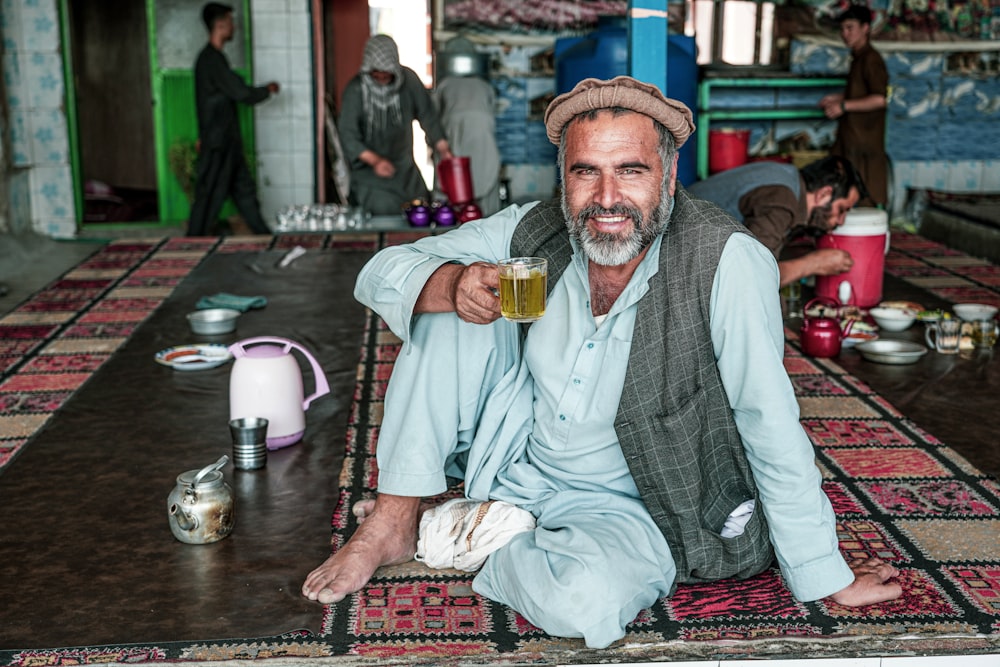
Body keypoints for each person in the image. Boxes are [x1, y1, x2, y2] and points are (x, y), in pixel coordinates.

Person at [302, 76, 902, 649]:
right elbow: (380, 271)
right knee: (439, 300)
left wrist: (823, 572)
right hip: (516, 462)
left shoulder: (726, 261)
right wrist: (454, 283)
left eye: (630, 171)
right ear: (563, 179)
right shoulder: (534, 233)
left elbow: (768, 420)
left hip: (639, 503)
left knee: (582, 602)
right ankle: (394, 520)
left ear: (668, 179)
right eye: (586, 171)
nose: (607, 198)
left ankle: (479, 533)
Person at [686, 156, 867, 287]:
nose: (841, 221)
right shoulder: (782, 201)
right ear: (824, 194)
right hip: (679, 263)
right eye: (841, 210)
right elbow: (755, 277)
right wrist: (814, 263)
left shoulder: (788, 178)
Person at [187, 3, 278, 237]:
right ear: (220, 25)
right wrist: (266, 91)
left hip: (227, 141)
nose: (234, 27)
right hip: (218, 144)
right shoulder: (211, 60)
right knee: (209, 196)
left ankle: (264, 236)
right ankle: (193, 242)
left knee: (243, 191)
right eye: (230, 22)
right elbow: (240, 93)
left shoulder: (214, 59)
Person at [339, 35, 453, 216]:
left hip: (405, 170)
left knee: (421, 211)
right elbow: (348, 135)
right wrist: (375, 161)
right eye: (377, 72)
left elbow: (428, 116)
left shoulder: (409, 81)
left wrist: (444, 149)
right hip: (370, 175)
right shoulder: (356, 90)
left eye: (387, 72)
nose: (382, 76)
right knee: (385, 212)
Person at [819, 4, 888, 209]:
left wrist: (844, 105)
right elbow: (862, 93)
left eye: (850, 28)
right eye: (842, 29)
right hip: (853, 139)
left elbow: (880, 99)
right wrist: (838, 98)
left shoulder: (871, 59)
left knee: (864, 193)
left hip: (865, 141)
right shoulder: (858, 57)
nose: (845, 34)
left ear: (865, 28)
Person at [434, 37, 502, 216]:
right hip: (485, 146)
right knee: (485, 200)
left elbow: (433, 120)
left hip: (453, 143)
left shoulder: (444, 85)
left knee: (451, 190)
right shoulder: (485, 86)